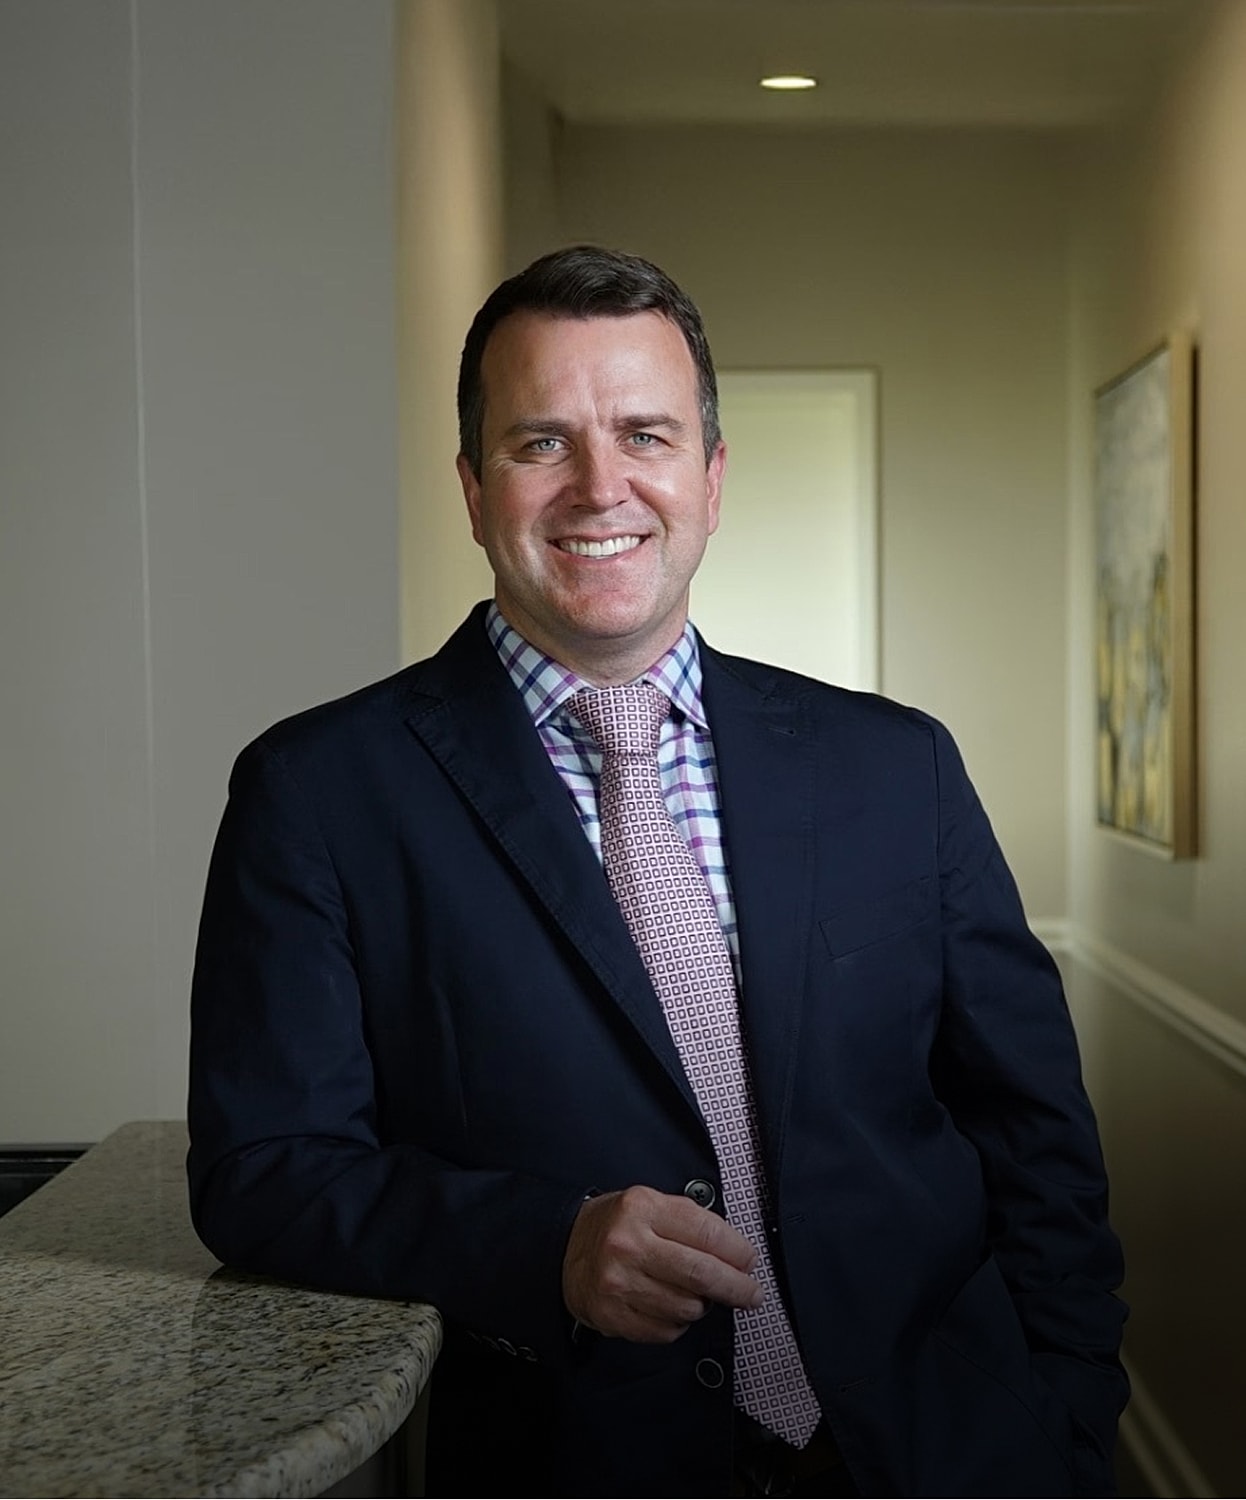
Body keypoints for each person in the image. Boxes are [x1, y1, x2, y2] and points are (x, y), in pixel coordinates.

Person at [187, 246, 1128, 1498]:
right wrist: (546, 1248)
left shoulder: (896, 767)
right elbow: (264, 1172)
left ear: (711, 476)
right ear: (473, 488)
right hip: (574, 1461)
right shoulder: (318, 792)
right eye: (540, 444)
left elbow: (1034, 1137)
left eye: (645, 433)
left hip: (945, 1448)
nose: (601, 486)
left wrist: (1067, 1428)